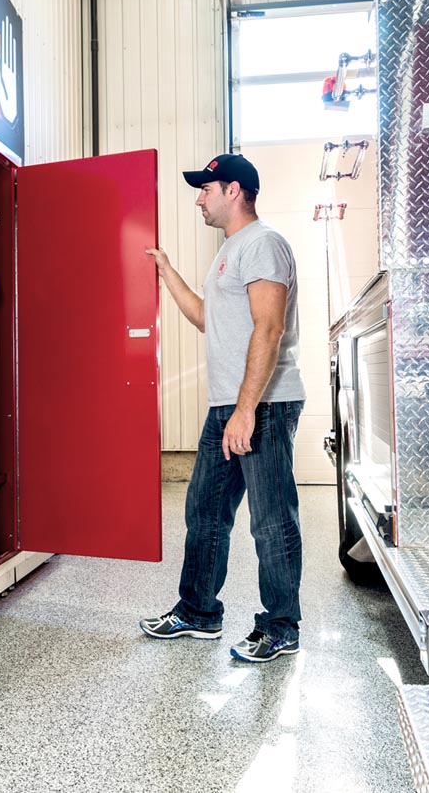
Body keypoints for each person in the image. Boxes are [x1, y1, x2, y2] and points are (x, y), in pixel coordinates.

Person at [141, 153, 307, 663]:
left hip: (263, 405)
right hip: (230, 406)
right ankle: (198, 612)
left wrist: (246, 409)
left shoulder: (263, 245)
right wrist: (166, 271)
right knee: (206, 510)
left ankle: (280, 626)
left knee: (271, 518)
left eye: (205, 189)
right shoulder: (231, 251)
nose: (198, 198)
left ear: (233, 191)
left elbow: (270, 327)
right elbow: (207, 319)